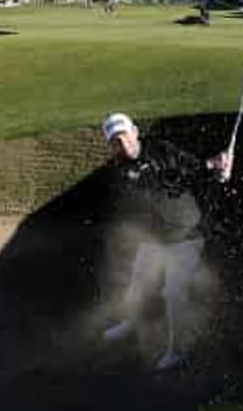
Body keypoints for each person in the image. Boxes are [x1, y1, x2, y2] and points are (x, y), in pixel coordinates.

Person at [99, 112, 233, 371]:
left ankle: (177, 351)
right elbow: (146, 183)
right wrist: (179, 176)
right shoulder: (121, 168)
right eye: (116, 141)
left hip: (186, 236)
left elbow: (194, 169)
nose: (123, 143)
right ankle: (129, 323)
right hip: (155, 239)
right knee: (138, 282)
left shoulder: (161, 149)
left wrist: (217, 167)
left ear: (135, 131)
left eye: (125, 135)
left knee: (173, 295)